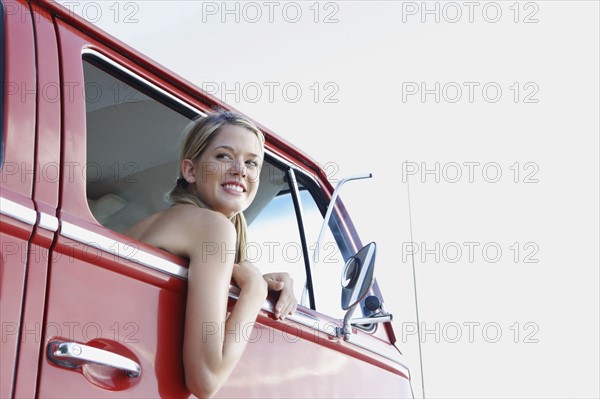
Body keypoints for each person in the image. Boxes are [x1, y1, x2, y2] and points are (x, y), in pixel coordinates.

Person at [125, 111, 297, 398]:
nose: (240, 170)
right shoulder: (212, 228)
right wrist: (254, 291)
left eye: (251, 162)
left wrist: (260, 279)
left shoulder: (177, 222)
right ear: (190, 171)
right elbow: (205, 380)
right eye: (223, 156)